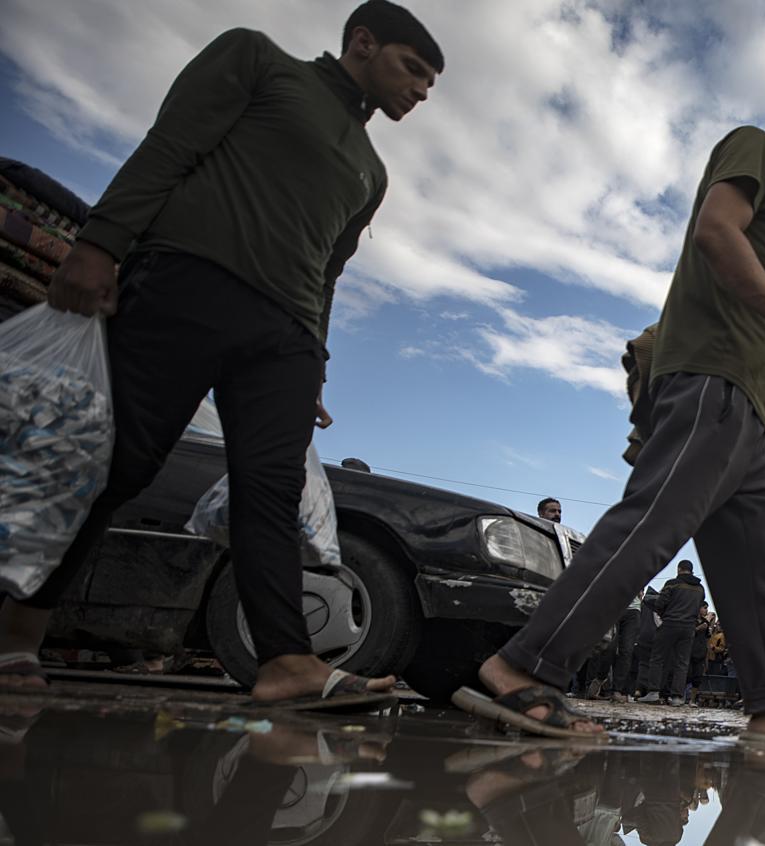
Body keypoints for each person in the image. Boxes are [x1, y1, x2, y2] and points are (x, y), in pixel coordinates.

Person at [0, 1, 442, 708]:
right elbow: (170, 146)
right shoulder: (257, 60)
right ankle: (18, 634)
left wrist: (317, 361)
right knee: (118, 464)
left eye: (430, 84)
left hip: (288, 339)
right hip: (187, 285)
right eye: (412, 69)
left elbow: (328, 270)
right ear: (363, 43)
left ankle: (285, 661)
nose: (420, 91)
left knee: (270, 492)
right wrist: (100, 244)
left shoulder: (371, 170)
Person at [456, 86, 765, 739]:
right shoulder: (754, 147)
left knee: (759, 562)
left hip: (749, 413)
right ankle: (522, 669)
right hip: (714, 383)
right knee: (650, 524)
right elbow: (715, 230)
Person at [636, 562, 706, 706]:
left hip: (670, 624)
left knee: (657, 658)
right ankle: (677, 697)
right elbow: (698, 607)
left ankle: (654, 692)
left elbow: (660, 603)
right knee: (682, 662)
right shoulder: (700, 589)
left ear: (679, 569)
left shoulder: (672, 584)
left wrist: (664, 615)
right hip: (689, 628)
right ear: (692, 571)